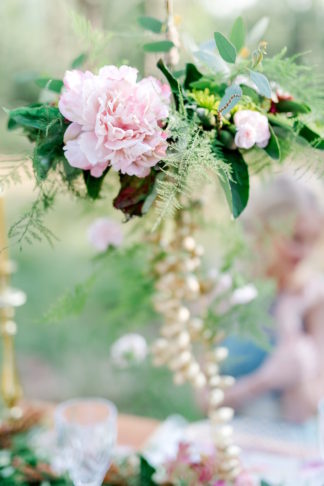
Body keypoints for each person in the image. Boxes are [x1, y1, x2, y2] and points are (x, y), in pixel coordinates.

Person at [223, 175, 324, 422]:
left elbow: (306, 411)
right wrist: (263, 381)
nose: (305, 253)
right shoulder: (225, 292)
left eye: (313, 240)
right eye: (296, 239)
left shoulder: (313, 300)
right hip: (231, 442)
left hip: (291, 449)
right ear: (263, 228)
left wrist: (288, 321)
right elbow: (205, 402)